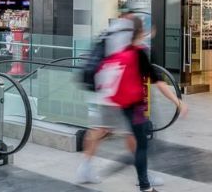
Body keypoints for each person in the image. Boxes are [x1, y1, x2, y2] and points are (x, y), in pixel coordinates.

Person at [76, 16, 186, 191]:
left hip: (107, 91)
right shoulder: (136, 48)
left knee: (101, 129)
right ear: (142, 31)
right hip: (121, 96)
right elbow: (156, 79)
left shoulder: (113, 34)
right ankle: (142, 178)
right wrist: (177, 102)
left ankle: (86, 167)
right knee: (129, 134)